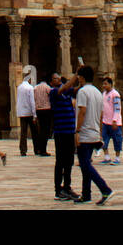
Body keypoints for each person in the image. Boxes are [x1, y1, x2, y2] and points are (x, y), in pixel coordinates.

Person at [74, 64, 113, 205]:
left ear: (82, 77)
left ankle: (105, 189)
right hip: (95, 131)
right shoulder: (97, 92)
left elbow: (82, 112)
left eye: (79, 76)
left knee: (84, 164)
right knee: (86, 163)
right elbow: (101, 114)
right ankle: (86, 194)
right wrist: (100, 131)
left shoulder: (83, 92)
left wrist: (77, 131)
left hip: (85, 133)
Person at [49, 72, 79, 201]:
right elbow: (65, 88)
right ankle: (58, 190)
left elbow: (77, 89)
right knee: (60, 161)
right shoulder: (54, 92)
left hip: (69, 131)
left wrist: (83, 79)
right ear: (51, 82)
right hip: (60, 132)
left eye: (59, 78)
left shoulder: (67, 93)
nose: (58, 80)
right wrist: (76, 74)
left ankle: (67, 187)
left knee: (69, 161)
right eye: (55, 78)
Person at [100, 75, 123, 165]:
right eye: (103, 84)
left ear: (110, 84)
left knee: (117, 139)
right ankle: (107, 156)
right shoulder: (104, 94)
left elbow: (117, 108)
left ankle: (117, 158)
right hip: (106, 121)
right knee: (104, 139)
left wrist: (114, 120)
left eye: (105, 84)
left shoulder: (115, 94)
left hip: (114, 122)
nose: (104, 86)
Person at [16, 67, 37, 157]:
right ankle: (37, 149)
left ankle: (23, 150)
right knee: (34, 132)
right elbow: (32, 101)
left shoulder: (19, 87)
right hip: (29, 112)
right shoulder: (30, 88)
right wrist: (34, 114)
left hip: (21, 112)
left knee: (23, 132)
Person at [33, 74, 53, 155]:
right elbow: (51, 97)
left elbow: (34, 98)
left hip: (38, 110)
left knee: (41, 130)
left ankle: (39, 148)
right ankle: (43, 150)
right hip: (46, 110)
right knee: (46, 131)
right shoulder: (47, 87)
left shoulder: (36, 87)